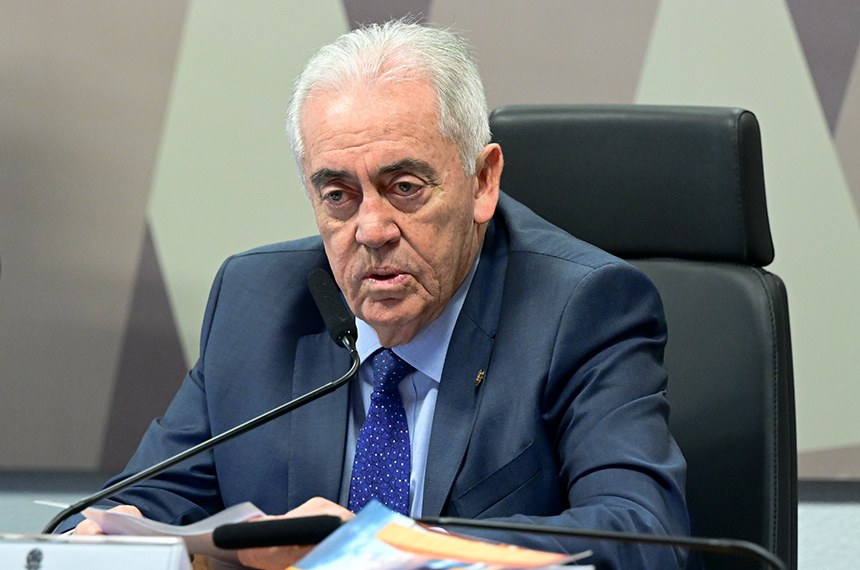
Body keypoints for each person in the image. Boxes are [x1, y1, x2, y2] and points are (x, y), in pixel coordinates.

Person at [65, 20, 690, 569]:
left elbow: (643, 536)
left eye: (405, 187)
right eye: (338, 195)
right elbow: (139, 505)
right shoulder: (255, 304)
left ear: (482, 181)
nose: (371, 230)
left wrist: (382, 549)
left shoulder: (581, 309)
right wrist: (102, 541)